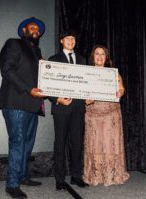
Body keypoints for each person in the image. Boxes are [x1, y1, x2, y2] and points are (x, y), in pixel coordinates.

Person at [0, 17, 46, 199]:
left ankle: (23, 176)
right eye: (32, 27)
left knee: (28, 142)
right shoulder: (14, 44)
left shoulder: (38, 52)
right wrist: (28, 89)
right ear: (24, 30)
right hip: (16, 102)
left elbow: (41, 79)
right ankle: (12, 184)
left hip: (33, 104)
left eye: (38, 29)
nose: (36, 30)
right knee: (18, 141)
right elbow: (6, 70)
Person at [83, 45, 130, 186]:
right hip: (93, 113)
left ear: (106, 57)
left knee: (111, 144)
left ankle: (112, 175)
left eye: (103, 54)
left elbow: (121, 89)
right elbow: (82, 93)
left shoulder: (112, 73)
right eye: (97, 54)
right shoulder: (87, 73)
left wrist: (119, 93)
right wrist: (86, 99)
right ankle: (96, 175)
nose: (100, 57)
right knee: (95, 144)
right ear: (93, 57)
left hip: (111, 113)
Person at [48, 30, 88, 190]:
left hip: (78, 108)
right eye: (67, 38)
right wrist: (57, 99)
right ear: (61, 41)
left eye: (73, 38)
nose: (71, 40)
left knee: (77, 144)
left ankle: (76, 176)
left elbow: (87, 83)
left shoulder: (82, 60)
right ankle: (59, 179)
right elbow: (47, 84)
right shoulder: (53, 59)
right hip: (61, 109)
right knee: (60, 144)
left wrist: (88, 96)